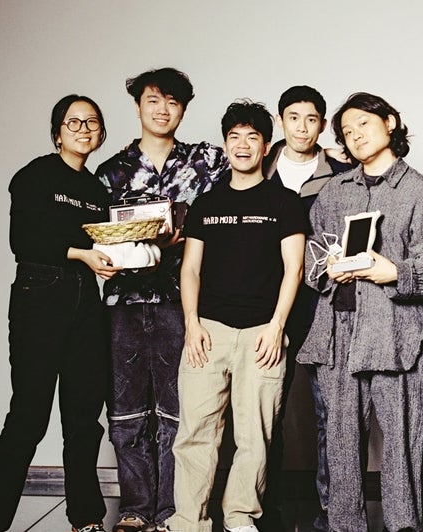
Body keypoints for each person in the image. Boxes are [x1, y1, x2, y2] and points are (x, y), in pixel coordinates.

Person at [297, 92, 423, 532]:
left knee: (402, 445)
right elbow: (313, 257)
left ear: (390, 122)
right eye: (347, 131)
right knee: (342, 447)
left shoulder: (418, 190)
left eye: (363, 124)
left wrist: (393, 272)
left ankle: (404, 526)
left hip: (396, 334)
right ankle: (346, 527)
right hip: (337, 334)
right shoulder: (335, 191)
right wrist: (326, 267)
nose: (355, 135)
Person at [0, 95, 120, 532]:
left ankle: (86, 518)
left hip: (85, 301)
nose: (84, 129)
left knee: (83, 420)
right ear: (57, 132)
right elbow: (24, 241)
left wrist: (112, 260)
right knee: (29, 417)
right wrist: (82, 255)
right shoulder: (35, 175)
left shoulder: (96, 191)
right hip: (41, 294)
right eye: (74, 122)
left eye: (92, 122)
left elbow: (104, 246)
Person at [96, 68, 228, 532]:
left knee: (183, 410)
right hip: (124, 303)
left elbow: (253, 172)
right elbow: (96, 238)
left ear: (184, 109)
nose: (162, 110)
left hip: (185, 302)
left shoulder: (208, 162)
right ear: (137, 105)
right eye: (153, 100)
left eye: (172, 102)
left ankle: (176, 510)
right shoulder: (111, 171)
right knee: (128, 408)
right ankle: (135, 508)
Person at [167, 100, 307, 532]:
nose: (242, 145)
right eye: (234, 137)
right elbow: (189, 268)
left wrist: (277, 327)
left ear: (266, 146)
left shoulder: (285, 202)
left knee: (256, 436)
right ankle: (189, 520)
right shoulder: (206, 204)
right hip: (208, 332)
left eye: (252, 137)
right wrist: (192, 323)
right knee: (195, 433)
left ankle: (241, 515)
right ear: (226, 145)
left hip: (262, 334)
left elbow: (294, 269)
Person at [258, 85, 352, 532]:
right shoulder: (256, 164)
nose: (302, 126)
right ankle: (262, 510)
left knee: (328, 412)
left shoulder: (340, 171)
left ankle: (330, 514)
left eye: (311, 118)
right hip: (265, 301)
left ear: (322, 123)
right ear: (280, 121)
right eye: (293, 117)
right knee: (263, 412)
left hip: (322, 303)